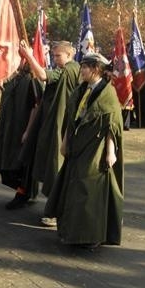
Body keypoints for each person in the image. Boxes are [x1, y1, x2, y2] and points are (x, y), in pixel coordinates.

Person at [44, 53, 124, 249]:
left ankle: (92, 235)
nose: (82, 71)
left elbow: (112, 125)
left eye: (85, 67)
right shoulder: (81, 90)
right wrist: (65, 142)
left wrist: (110, 152)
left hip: (96, 149)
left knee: (90, 190)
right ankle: (72, 231)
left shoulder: (108, 93)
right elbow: (71, 118)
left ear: (96, 69)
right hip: (77, 147)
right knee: (73, 188)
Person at [18, 40, 80, 215]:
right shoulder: (69, 69)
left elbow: (43, 76)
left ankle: (55, 209)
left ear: (69, 55)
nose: (55, 58)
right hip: (54, 123)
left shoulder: (69, 70)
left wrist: (29, 55)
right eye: (53, 55)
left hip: (61, 125)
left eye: (58, 55)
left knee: (56, 163)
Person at [0, 64, 41, 209]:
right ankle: (28, 192)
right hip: (8, 128)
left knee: (18, 165)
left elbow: (36, 105)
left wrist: (28, 130)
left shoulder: (31, 79)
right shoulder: (12, 78)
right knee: (6, 163)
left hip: (21, 128)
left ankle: (23, 194)